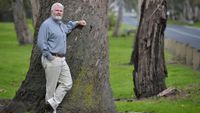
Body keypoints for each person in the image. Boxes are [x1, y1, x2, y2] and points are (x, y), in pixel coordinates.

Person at [37, 2, 86, 113]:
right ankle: (49, 111)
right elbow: (41, 42)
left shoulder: (60, 24)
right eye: (57, 10)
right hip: (51, 59)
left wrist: (77, 23)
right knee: (51, 88)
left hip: (61, 60)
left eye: (60, 11)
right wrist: (49, 56)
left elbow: (67, 28)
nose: (59, 12)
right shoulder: (46, 24)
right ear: (52, 11)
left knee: (67, 83)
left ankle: (51, 104)